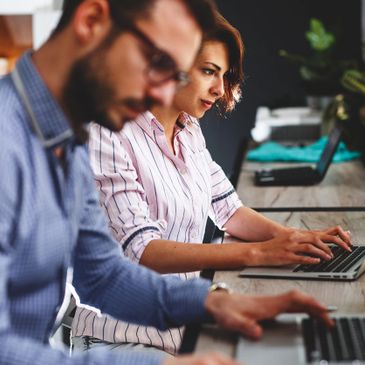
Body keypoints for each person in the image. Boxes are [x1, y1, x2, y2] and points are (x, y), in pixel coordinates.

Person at [0, 1, 334, 365]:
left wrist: (215, 302)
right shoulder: (10, 143)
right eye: (159, 63)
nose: (161, 96)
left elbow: (103, 276)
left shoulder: (68, 136)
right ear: (92, 21)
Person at [78, 11, 352, 355]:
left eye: (225, 75)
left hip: (181, 326)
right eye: (208, 71)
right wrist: (256, 254)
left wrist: (291, 238)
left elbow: (228, 208)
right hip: (121, 339)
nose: (220, 88)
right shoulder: (107, 131)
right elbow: (142, 249)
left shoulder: (188, 127)